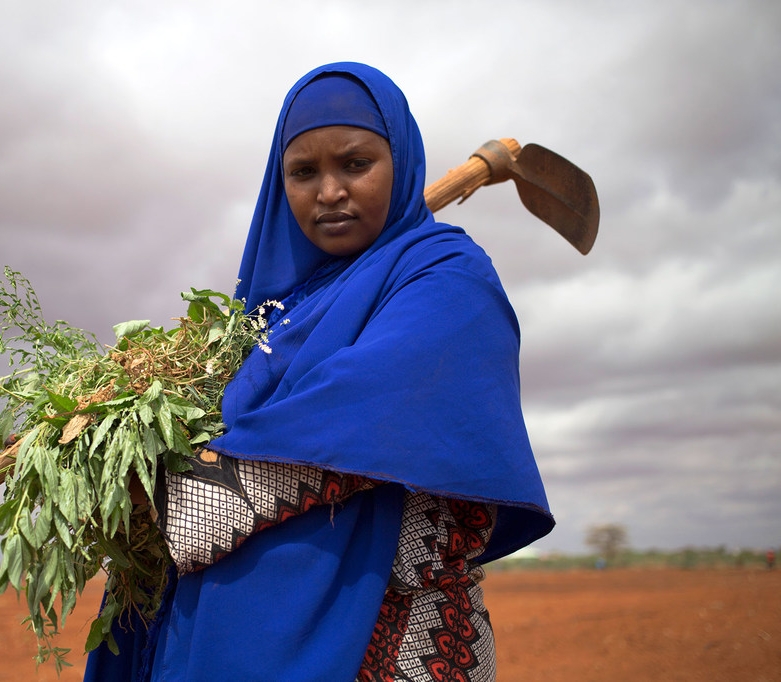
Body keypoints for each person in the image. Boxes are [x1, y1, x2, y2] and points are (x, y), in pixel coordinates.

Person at [84, 62, 553, 682]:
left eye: (355, 164)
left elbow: (369, 405)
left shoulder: (447, 278)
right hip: (226, 631)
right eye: (303, 172)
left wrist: (173, 490)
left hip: (383, 635)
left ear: (400, 162)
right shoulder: (277, 313)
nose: (328, 192)